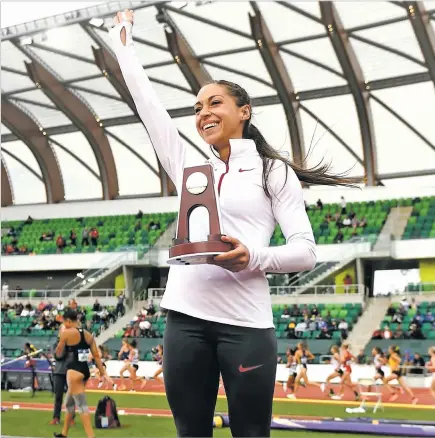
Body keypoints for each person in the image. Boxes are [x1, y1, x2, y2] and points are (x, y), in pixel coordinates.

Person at [109, 9, 359, 437]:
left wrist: (252, 257)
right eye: (197, 107)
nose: (203, 112)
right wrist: (123, 45)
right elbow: (147, 106)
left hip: (247, 328)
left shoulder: (272, 172)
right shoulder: (187, 164)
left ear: (244, 111)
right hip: (183, 322)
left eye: (214, 103)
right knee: (191, 433)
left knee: (251, 434)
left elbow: (306, 250)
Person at [53, 309, 112, 438]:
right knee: (68, 403)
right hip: (84, 371)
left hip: (73, 372)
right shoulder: (88, 335)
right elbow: (96, 356)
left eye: (64, 322)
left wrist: (61, 336)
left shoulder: (66, 333)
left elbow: (58, 353)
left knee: (82, 406)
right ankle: (64, 434)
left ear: (68, 321)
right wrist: (103, 373)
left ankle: (91, 436)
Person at [50, 324, 76, 426]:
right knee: (58, 396)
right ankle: (56, 417)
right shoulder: (56, 344)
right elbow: (58, 356)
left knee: (71, 397)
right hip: (59, 372)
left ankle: (71, 418)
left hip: (70, 372)